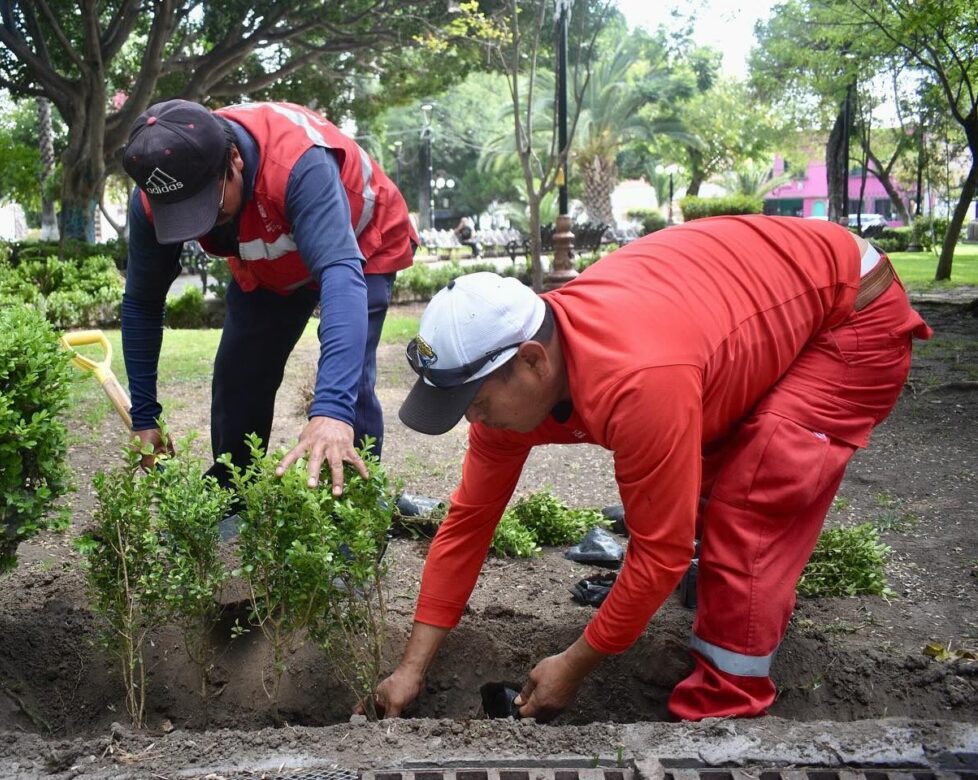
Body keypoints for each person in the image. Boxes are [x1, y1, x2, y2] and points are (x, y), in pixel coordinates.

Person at [371, 215, 931, 721]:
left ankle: (723, 712)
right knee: (701, 491)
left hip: (851, 312)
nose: (473, 420)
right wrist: (410, 669)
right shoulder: (522, 375)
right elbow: (468, 523)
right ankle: (737, 609)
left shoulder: (639, 381)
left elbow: (660, 553)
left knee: (750, 505)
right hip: (740, 318)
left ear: (532, 362)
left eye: (475, 402)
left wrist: (576, 662)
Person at [120, 99, 416, 495]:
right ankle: (234, 493)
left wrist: (331, 409)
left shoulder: (296, 164)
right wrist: (144, 416)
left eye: (207, 206)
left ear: (235, 159)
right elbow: (142, 302)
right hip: (270, 253)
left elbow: (340, 277)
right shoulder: (154, 194)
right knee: (239, 372)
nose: (200, 226)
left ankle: (350, 502)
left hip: (360, 244)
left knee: (349, 384)